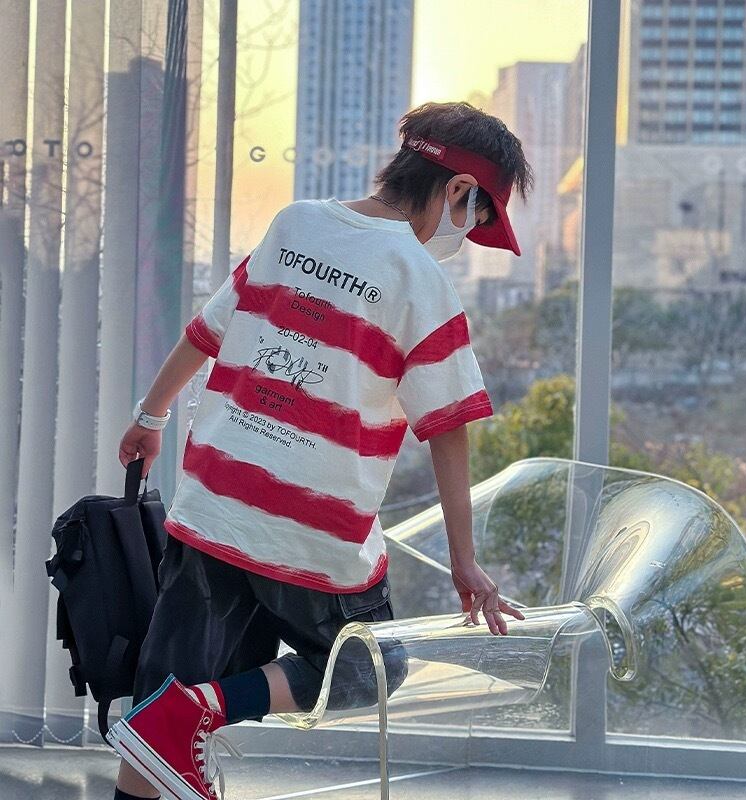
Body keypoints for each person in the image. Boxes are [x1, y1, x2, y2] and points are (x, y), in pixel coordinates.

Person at [110, 100, 534, 800]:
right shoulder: (421, 281)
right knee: (369, 667)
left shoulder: (296, 222)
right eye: (477, 215)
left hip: (214, 498)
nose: (468, 233)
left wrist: (150, 416)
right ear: (458, 189)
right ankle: (199, 711)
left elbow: (210, 329)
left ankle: (180, 718)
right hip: (310, 527)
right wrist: (465, 561)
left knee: (162, 699)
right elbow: (447, 427)